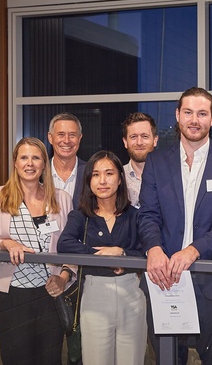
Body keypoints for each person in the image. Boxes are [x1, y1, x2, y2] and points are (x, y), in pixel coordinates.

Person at [138, 87, 212, 365]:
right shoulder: (157, 161)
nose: (194, 120)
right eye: (188, 112)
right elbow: (148, 214)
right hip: (164, 278)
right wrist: (153, 249)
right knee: (168, 359)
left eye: (202, 113)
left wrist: (193, 251)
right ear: (178, 115)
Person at [0, 137, 74, 365]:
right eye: (24, 157)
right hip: (11, 295)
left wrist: (64, 277)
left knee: (49, 359)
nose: (30, 163)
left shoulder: (61, 199)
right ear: (15, 162)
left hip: (50, 294)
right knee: (15, 359)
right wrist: (4, 243)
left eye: (36, 158)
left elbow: (72, 247)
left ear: (44, 163)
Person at [58, 150, 146, 365]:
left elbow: (147, 252)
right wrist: (101, 255)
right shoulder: (80, 215)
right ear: (89, 180)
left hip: (131, 294)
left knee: (131, 360)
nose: (103, 180)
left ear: (120, 179)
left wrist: (122, 254)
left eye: (109, 173)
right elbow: (64, 244)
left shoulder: (136, 215)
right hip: (94, 293)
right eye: (96, 174)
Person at [48, 112, 86, 209]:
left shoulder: (91, 172)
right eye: (61, 134)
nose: (66, 140)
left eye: (72, 135)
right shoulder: (38, 173)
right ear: (50, 138)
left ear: (80, 138)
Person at [122, 112, 159, 208]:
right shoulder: (117, 177)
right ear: (125, 142)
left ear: (155, 140)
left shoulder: (167, 178)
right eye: (133, 137)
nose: (139, 142)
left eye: (144, 136)